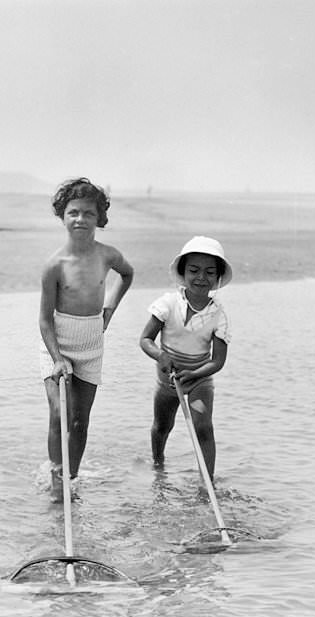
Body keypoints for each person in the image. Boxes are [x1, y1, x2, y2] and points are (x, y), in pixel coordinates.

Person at [39, 177, 134, 501]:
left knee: (80, 420)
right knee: (59, 413)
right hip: (57, 343)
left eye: (88, 213)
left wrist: (109, 308)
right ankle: (55, 480)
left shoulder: (107, 255)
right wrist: (57, 358)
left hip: (92, 343)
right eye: (74, 212)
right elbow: (43, 320)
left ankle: (71, 478)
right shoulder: (54, 265)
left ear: (99, 218)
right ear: (63, 216)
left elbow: (128, 274)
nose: (80, 219)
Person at [139, 236, 232, 477]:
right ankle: (158, 468)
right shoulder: (168, 304)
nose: (201, 277)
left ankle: (207, 483)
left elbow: (217, 361)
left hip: (199, 379)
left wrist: (194, 374)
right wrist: (161, 356)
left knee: (203, 426)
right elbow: (145, 340)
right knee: (162, 426)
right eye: (194, 270)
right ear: (183, 272)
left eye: (210, 272)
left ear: (218, 277)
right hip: (168, 380)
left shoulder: (218, 314)